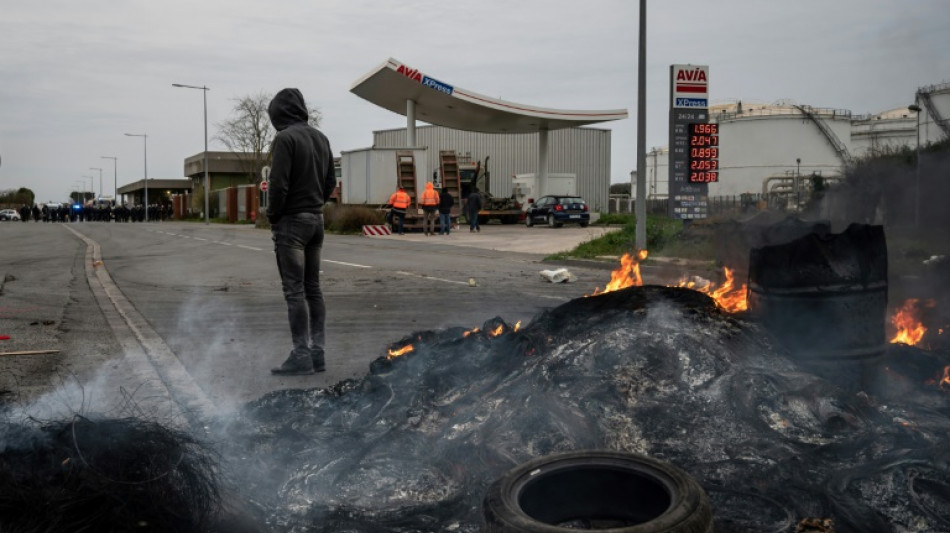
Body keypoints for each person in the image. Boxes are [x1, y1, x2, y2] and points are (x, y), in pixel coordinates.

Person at [266, 88, 336, 376]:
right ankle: (317, 354)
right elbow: (331, 181)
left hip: (292, 222)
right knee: (312, 290)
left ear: (279, 114)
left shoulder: (285, 139)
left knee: (294, 291)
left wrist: (273, 215)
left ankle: (300, 355)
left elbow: (278, 184)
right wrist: (316, 201)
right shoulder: (321, 138)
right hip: (316, 221)